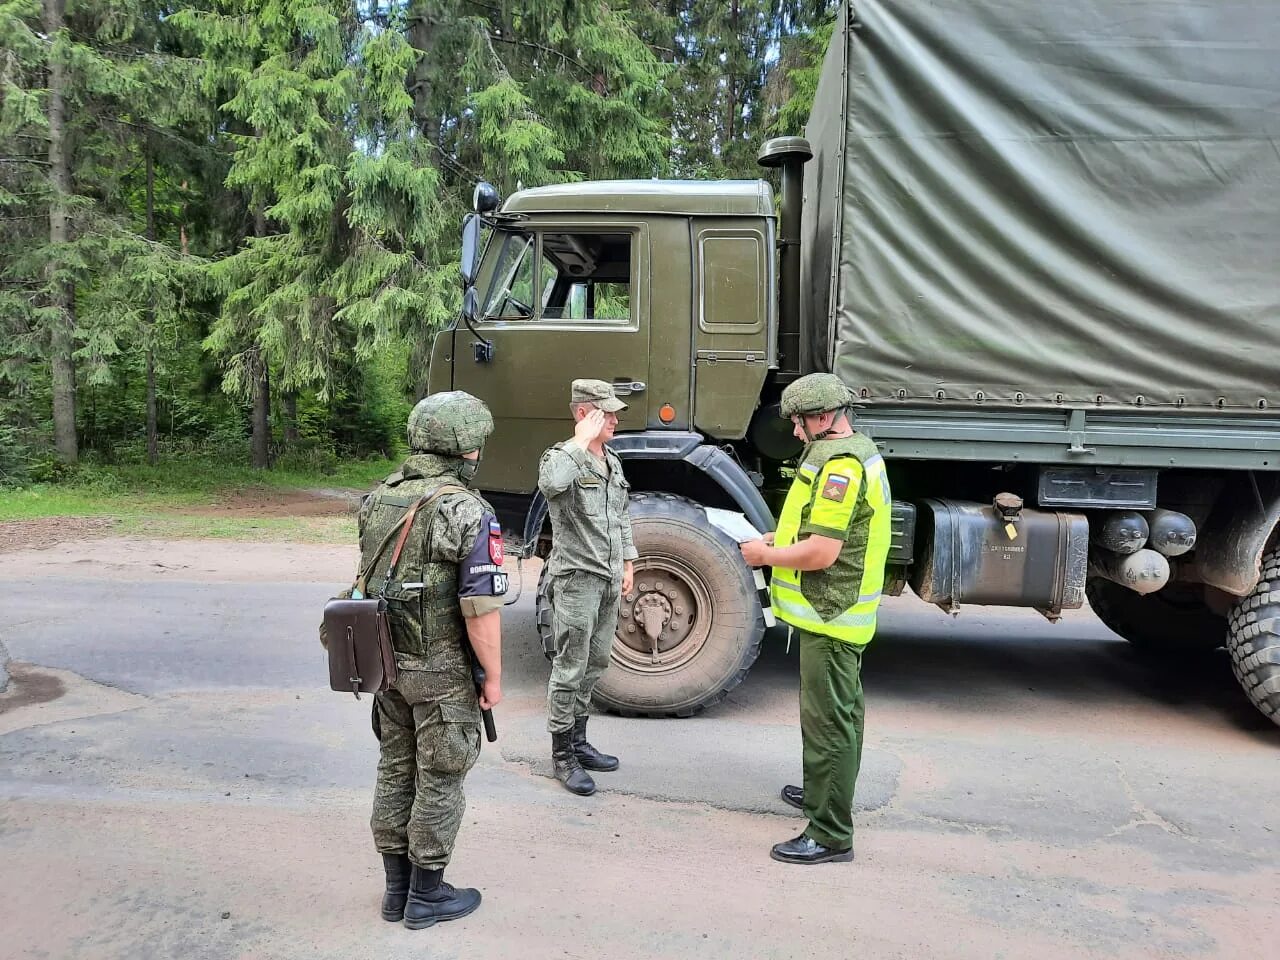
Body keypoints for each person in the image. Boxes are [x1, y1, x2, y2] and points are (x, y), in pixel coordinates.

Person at [360, 391, 505, 927]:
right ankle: (428, 894)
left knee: (395, 769)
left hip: (385, 664)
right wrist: (492, 676)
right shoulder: (467, 509)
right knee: (441, 776)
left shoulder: (381, 498)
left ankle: (395, 892)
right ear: (467, 448)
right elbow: (481, 610)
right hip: (441, 676)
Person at [739, 373, 892, 864]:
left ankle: (829, 834)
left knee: (830, 722)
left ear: (824, 418)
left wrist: (764, 558)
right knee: (836, 716)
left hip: (833, 614)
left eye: (800, 424)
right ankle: (821, 793)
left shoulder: (841, 468)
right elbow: (807, 528)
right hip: (836, 613)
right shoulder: (853, 452)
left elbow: (823, 552)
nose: (797, 433)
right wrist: (774, 541)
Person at [538, 379, 637, 796]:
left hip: (610, 577)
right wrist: (578, 442)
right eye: (606, 413)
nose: (614, 419)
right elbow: (550, 486)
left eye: (614, 413)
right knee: (569, 667)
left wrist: (629, 560)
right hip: (577, 579)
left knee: (595, 663)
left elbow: (621, 515)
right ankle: (562, 754)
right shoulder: (564, 458)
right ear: (583, 414)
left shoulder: (611, 461)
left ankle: (579, 741)